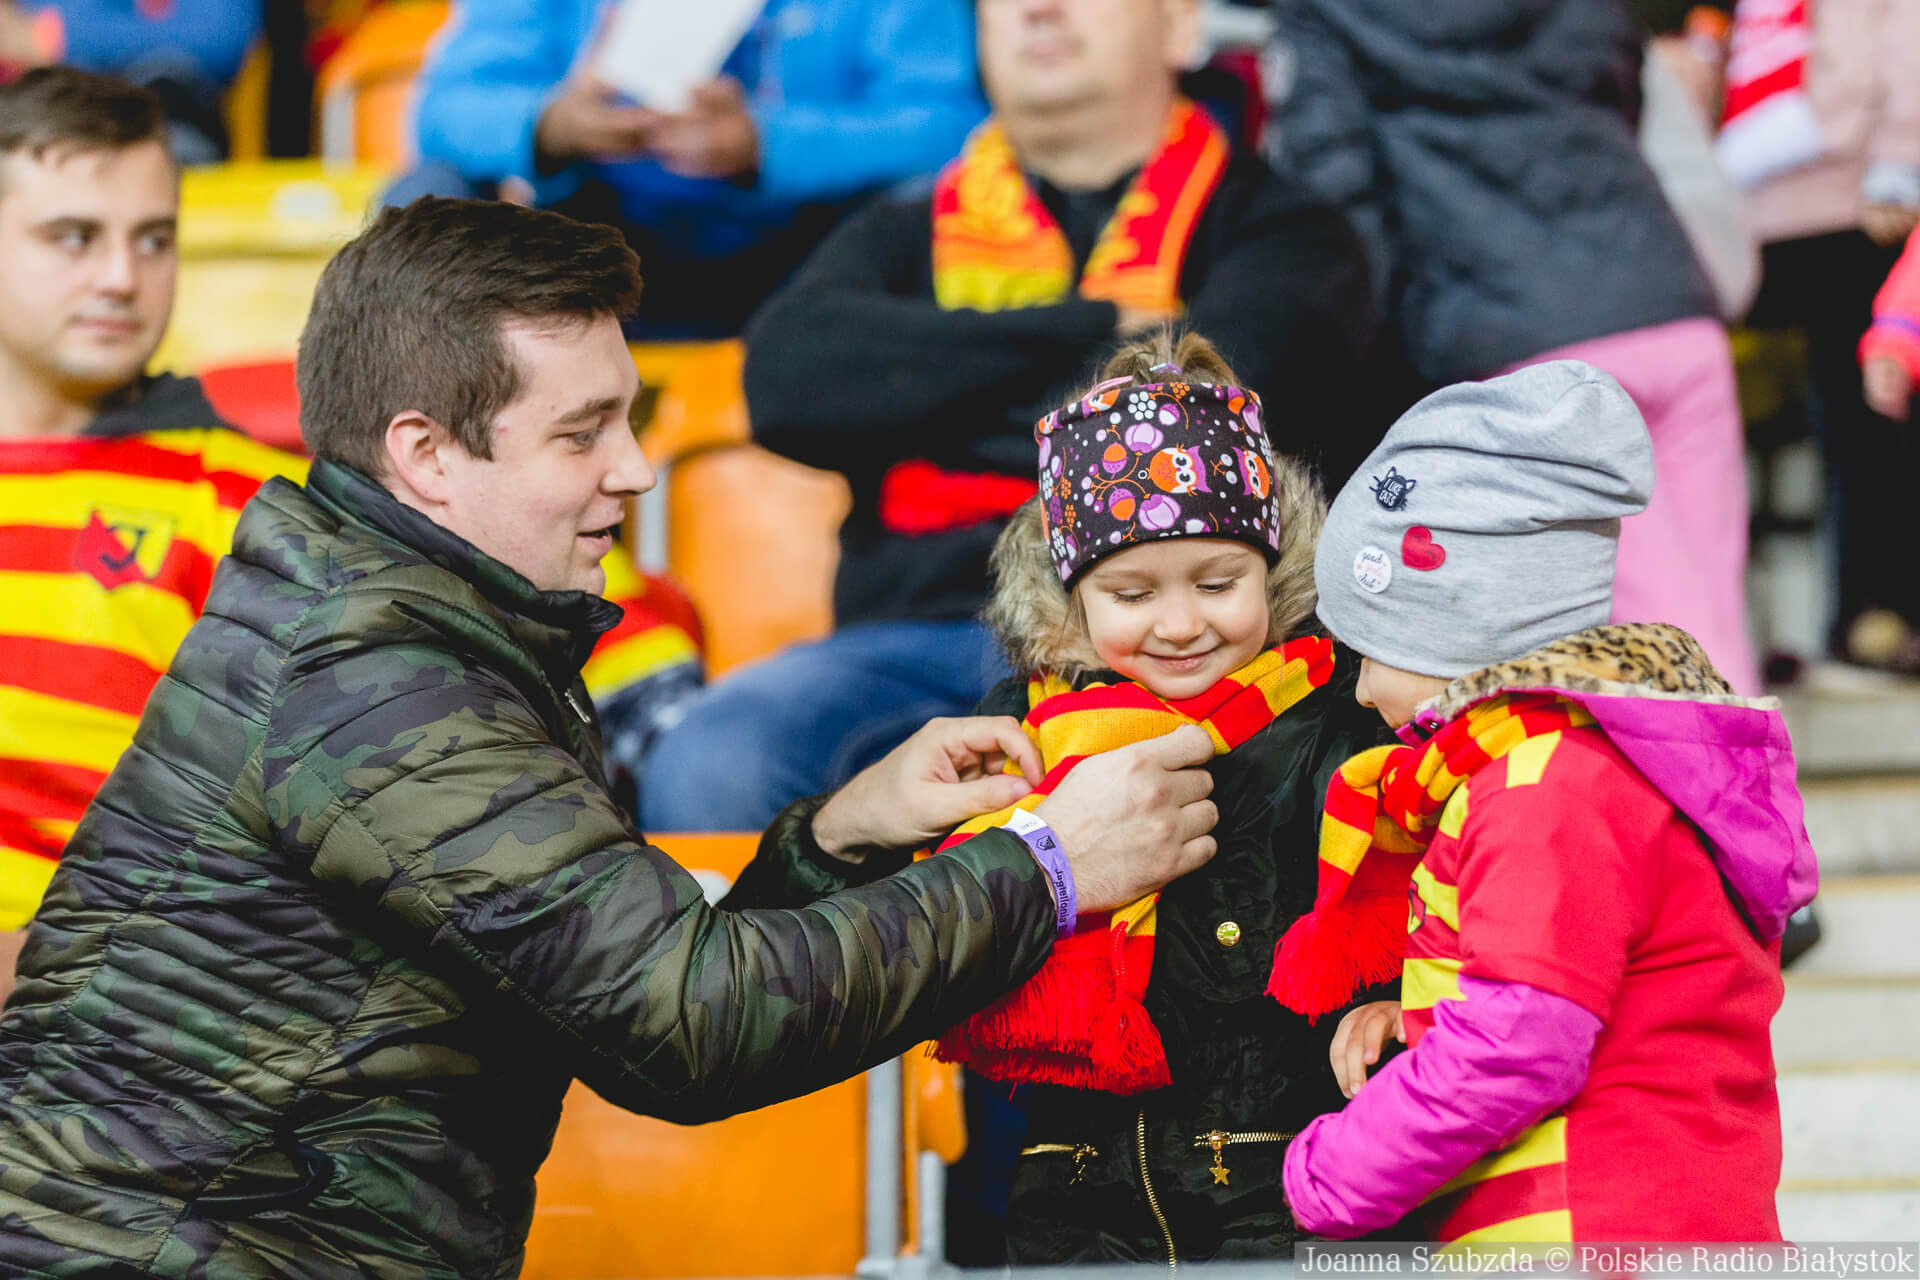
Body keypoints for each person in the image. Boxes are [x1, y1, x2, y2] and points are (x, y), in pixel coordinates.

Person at [0, 195, 1224, 1276]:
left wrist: (840, 836)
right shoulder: (378, 686)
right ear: (425, 454)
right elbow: (687, 1026)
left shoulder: (407, 629)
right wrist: (1047, 867)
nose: (636, 470)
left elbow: (627, 989)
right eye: (582, 432)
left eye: (629, 421)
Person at [727, 331, 1389, 1263]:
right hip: (1073, 1220)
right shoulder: (1022, 735)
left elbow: (1427, 896)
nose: (1180, 624)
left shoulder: (1341, 718)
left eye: (1217, 582)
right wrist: (847, 831)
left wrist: (1404, 1005)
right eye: (1131, 594)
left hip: (1299, 1208)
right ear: (1073, 600)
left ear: (1273, 571)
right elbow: (776, 971)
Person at [644, 0, 1376, 832]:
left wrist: (924, 399)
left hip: (1169, 639)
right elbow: (790, 384)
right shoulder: (899, 226)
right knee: (717, 759)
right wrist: (1102, 334)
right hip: (913, 641)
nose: (1037, 10)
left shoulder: (1285, 230)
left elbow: (1226, 405)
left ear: (1179, 25)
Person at [1267, 362, 1817, 1241]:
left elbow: (1517, 1044)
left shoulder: (1542, 788)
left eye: (1372, 649)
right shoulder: (1588, 759)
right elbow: (1573, 989)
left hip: (1586, 1229)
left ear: (1461, 631)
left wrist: (1325, 1174)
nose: (1363, 690)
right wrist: (1427, 1021)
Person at [1266, 0, 1762, 694]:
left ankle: (1704, 763)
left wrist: (1362, 349)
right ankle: (1747, 761)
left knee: (1633, 648)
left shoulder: (1330, 13)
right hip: (1667, 304)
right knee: (1710, 615)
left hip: (1519, 344)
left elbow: (1334, 186)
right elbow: (1623, 90)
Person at [0, 68, 302, 980]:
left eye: (154, 240)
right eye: (74, 237)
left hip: (97, 1002)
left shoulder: (249, 504)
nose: (122, 279)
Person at [403, 0, 985, 337]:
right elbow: (443, 111)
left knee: (934, 199)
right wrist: (551, 124)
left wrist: (766, 144)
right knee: (425, 200)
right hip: (588, 247)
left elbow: (951, 127)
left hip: (813, 259)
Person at [1734, 0, 1920, 673]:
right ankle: (1859, 615)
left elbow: (1907, 35)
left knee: (1864, 421)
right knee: (1842, 426)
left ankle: (1873, 612)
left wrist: (1901, 159)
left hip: (1856, 203)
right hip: (1779, 213)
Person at [0, 0, 261, 163]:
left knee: (168, 78)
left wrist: (55, 37)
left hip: (176, 119)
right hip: (52, 123)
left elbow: (219, 38)